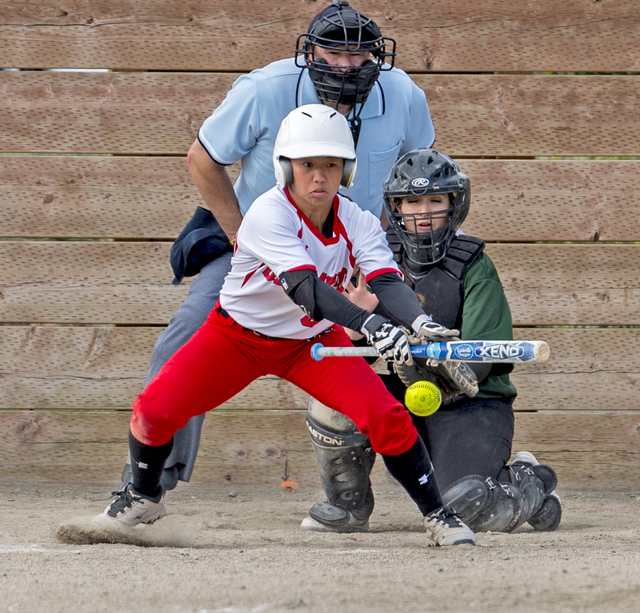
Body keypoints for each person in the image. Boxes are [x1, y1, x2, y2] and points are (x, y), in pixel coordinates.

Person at [95, 105, 477, 547]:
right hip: (236, 338)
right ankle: (144, 497)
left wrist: (419, 322)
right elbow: (306, 288)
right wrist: (372, 325)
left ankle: (438, 516)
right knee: (153, 410)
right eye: (307, 165)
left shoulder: (358, 220)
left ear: (346, 171)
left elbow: (386, 280)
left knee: (386, 416)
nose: (319, 177)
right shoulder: (267, 213)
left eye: (331, 165)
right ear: (286, 168)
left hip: (311, 343)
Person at [120, 0, 437, 490]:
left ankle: (419, 485)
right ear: (309, 53)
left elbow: (412, 177)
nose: (347, 65)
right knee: (185, 333)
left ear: (376, 57)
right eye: (334, 53)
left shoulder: (403, 94)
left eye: (359, 56)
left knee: (416, 330)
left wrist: (395, 272)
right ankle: (146, 481)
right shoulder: (265, 89)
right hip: (262, 241)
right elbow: (203, 160)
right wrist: (241, 236)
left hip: (353, 245)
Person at [300, 148, 562, 534]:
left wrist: (428, 360)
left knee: (468, 505)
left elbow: (479, 364)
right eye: (411, 201)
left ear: (454, 204)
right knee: (331, 399)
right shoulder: (375, 259)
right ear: (396, 207)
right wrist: (355, 326)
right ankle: (349, 507)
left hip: (471, 403)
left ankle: (527, 481)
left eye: (435, 200)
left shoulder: (474, 265)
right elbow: (342, 351)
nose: (423, 212)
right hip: (407, 395)